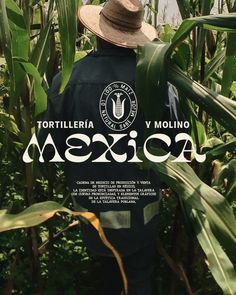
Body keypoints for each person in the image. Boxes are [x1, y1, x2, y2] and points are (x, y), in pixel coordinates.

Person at [39, 0, 187, 294]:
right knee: (138, 282)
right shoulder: (160, 84)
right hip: (142, 221)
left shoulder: (66, 81)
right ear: (135, 37)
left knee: (107, 279)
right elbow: (178, 148)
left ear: (97, 33)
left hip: (92, 222)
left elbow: (48, 148)